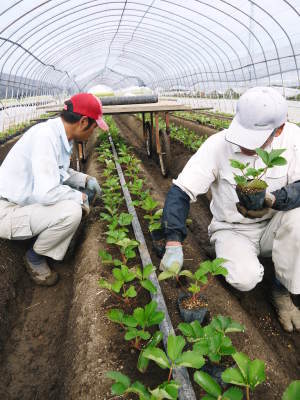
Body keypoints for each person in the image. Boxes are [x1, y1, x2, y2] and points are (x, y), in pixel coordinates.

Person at [160, 87, 300, 332]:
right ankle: (231, 255)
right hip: (233, 229)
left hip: (274, 226)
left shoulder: (294, 140)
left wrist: (273, 200)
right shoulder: (217, 145)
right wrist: (172, 241)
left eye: (255, 140)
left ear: (279, 130)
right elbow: (181, 191)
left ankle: (281, 291)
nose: (246, 146)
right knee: (244, 279)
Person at [0, 93, 108, 286]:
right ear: (83, 122)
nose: (93, 132)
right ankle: (34, 258)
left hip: (23, 203)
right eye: (94, 127)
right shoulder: (45, 137)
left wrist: (85, 179)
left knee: (73, 200)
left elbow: (60, 172)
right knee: (72, 210)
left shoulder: (59, 135)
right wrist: (79, 196)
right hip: (7, 210)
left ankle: (55, 241)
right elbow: (46, 193)